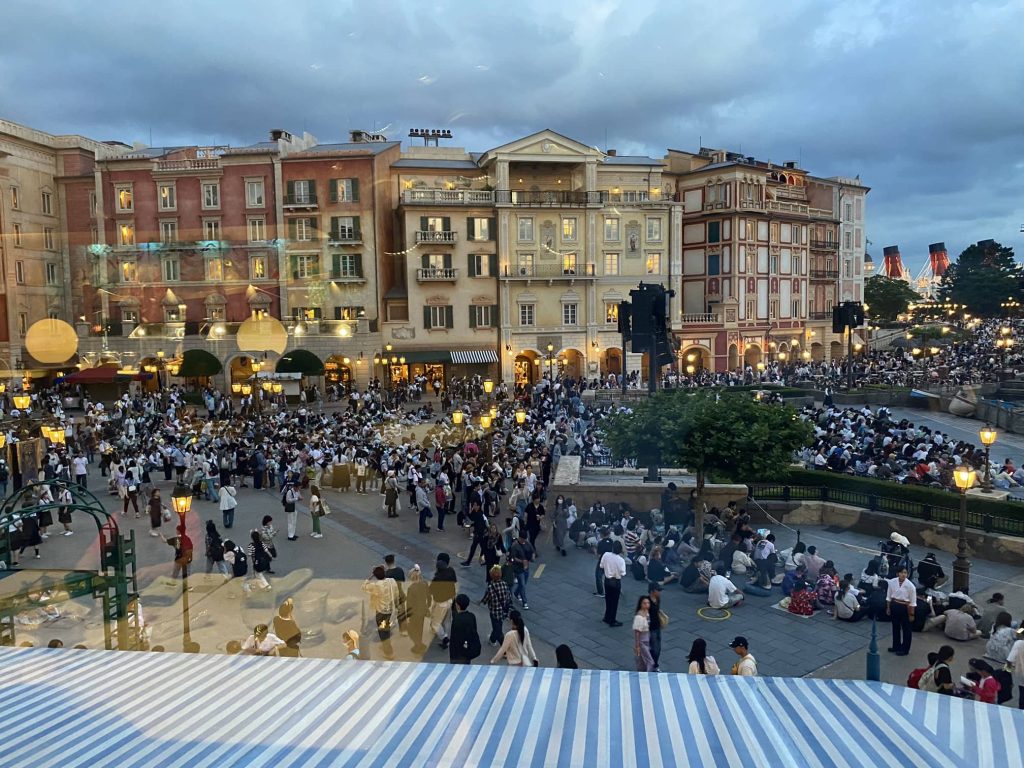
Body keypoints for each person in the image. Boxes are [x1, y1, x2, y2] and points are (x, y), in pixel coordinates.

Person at [362, 565, 398, 660]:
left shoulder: (377, 586)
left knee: (383, 632)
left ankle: (389, 653)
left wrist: (370, 576)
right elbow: (396, 593)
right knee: (386, 629)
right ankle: (385, 646)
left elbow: (364, 587)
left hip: (381, 612)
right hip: (390, 610)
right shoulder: (392, 581)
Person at [885, 565, 917, 656]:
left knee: (906, 628)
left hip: (905, 607)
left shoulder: (910, 586)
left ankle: (905, 649)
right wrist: (888, 607)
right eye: (901, 572)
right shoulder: (892, 582)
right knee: (895, 626)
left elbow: (913, 602)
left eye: (905, 573)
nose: (903, 574)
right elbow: (889, 596)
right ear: (897, 573)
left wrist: (912, 614)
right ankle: (896, 646)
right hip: (895, 604)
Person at [429, 553, 458, 649]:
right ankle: (445, 633)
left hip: (440, 603)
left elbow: (431, 590)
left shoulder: (437, 578)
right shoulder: (451, 571)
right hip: (450, 600)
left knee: (435, 622)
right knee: (446, 620)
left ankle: (445, 638)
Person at [481, 565, 512, 646]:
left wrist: (482, 602)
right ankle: (492, 639)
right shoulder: (505, 584)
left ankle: (504, 646)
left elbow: (485, 600)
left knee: (497, 629)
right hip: (503, 610)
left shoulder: (490, 587)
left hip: (494, 611)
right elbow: (509, 597)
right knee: (498, 626)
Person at [599, 540, 627, 626]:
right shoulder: (621, 560)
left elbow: (601, 565)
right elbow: (623, 573)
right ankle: (612, 620)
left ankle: (606, 617)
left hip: (607, 580)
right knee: (614, 602)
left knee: (608, 599)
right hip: (616, 581)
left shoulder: (606, 555)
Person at [448, 594, 481, 664]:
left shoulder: (456, 619)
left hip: (457, 653)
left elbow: (454, 638)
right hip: (468, 648)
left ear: (458, 605)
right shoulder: (471, 616)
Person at [405, 565, 430, 655]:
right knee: (420, 628)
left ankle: (418, 645)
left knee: (412, 630)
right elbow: (429, 596)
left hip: (415, 613)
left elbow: (409, 604)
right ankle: (419, 643)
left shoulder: (411, 588)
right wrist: (427, 606)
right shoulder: (425, 583)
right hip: (422, 610)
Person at [509, 531, 536, 610]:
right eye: (522, 539)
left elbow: (532, 551)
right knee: (522, 585)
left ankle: (516, 593)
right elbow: (513, 557)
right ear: (519, 538)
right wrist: (522, 561)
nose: (524, 541)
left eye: (525, 539)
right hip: (518, 568)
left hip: (526, 567)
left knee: (523, 584)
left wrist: (533, 557)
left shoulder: (527, 543)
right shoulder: (515, 546)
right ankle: (525, 602)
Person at [632, 595, 656, 672]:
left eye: (648, 603)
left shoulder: (647, 613)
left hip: (648, 639)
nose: (647, 605)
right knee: (650, 661)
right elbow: (637, 632)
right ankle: (648, 674)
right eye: (644, 603)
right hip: (642, 641)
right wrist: (637, 645)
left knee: (642, 660)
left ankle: (641, 672)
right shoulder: (639, 617)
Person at [647, 583, 665, 672]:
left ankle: (653, 664)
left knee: (657, 648)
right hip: (651, 629)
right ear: (652, 591)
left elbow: (657, 610)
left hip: (657, 627)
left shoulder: (657, 599)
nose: (659, 592)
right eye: (658, 590)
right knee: (655, 648)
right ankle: (653, 665)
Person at [1006, 632, 1024, 709]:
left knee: (1022, 696)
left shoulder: (1019, 643)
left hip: (1021, 674)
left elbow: (1010, 660)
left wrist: (1008, 671)